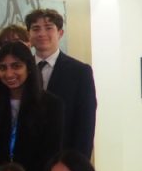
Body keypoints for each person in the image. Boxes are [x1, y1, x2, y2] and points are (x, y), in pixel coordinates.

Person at [0, 41, 64, 171]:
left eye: (16, 66)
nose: (9, 74)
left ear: (28, 68)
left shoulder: (51, 104)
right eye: (3, 68)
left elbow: (51, 152)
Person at [27, 8, 96, 158]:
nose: (42, 34)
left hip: (63, 155)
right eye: (36, 29)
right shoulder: (22, 70)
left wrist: (79, 164)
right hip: (27, 159)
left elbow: (85, 123)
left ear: (60, 33)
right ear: (29, 34)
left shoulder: (80, 72)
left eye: (49, 28)